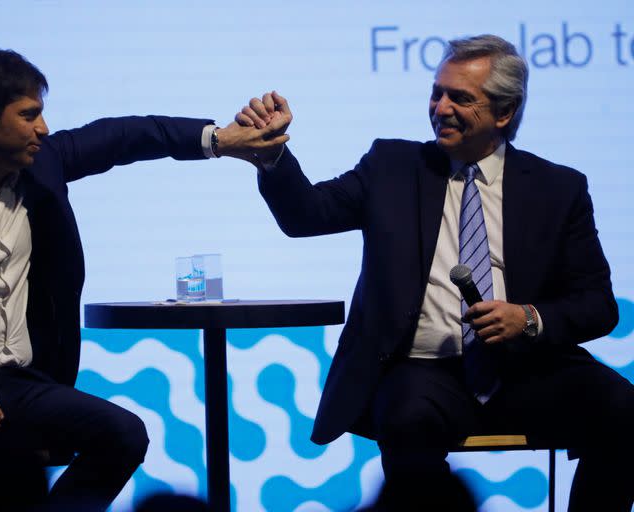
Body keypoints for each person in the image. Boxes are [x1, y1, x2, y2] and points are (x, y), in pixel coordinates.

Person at [0, 48, 284, 511]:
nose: (42, 130)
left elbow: (128, 135)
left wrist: (219, 139)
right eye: (29, 115)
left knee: (124, 434)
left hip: (20, 385)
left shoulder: (42, 166)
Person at [237, 35, 634, 511]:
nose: (440, 107)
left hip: (528, 370)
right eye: (436, 93)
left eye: (460, 98)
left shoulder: (559, 188)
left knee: (624, 410)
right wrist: (272, 154)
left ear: (504, 113)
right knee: (404, 420)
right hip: (422, 371)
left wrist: (528, 318)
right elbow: (305, 215)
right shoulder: (392, 166)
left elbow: (597, 306)